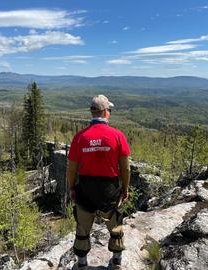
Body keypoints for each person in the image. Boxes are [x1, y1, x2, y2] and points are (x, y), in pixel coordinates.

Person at [67, 94, 131, 270]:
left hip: (85, 191)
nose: (109, 112)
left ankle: (82, 264)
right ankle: (116, 261)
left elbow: (72, 169)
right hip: (109, 190)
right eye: (109, 109)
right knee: (115, 226)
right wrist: (125, 189)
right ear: (105, 113)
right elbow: (125, 169)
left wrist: (72, 188)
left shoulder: (80, 137)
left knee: (82, 230)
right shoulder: (118, 136)